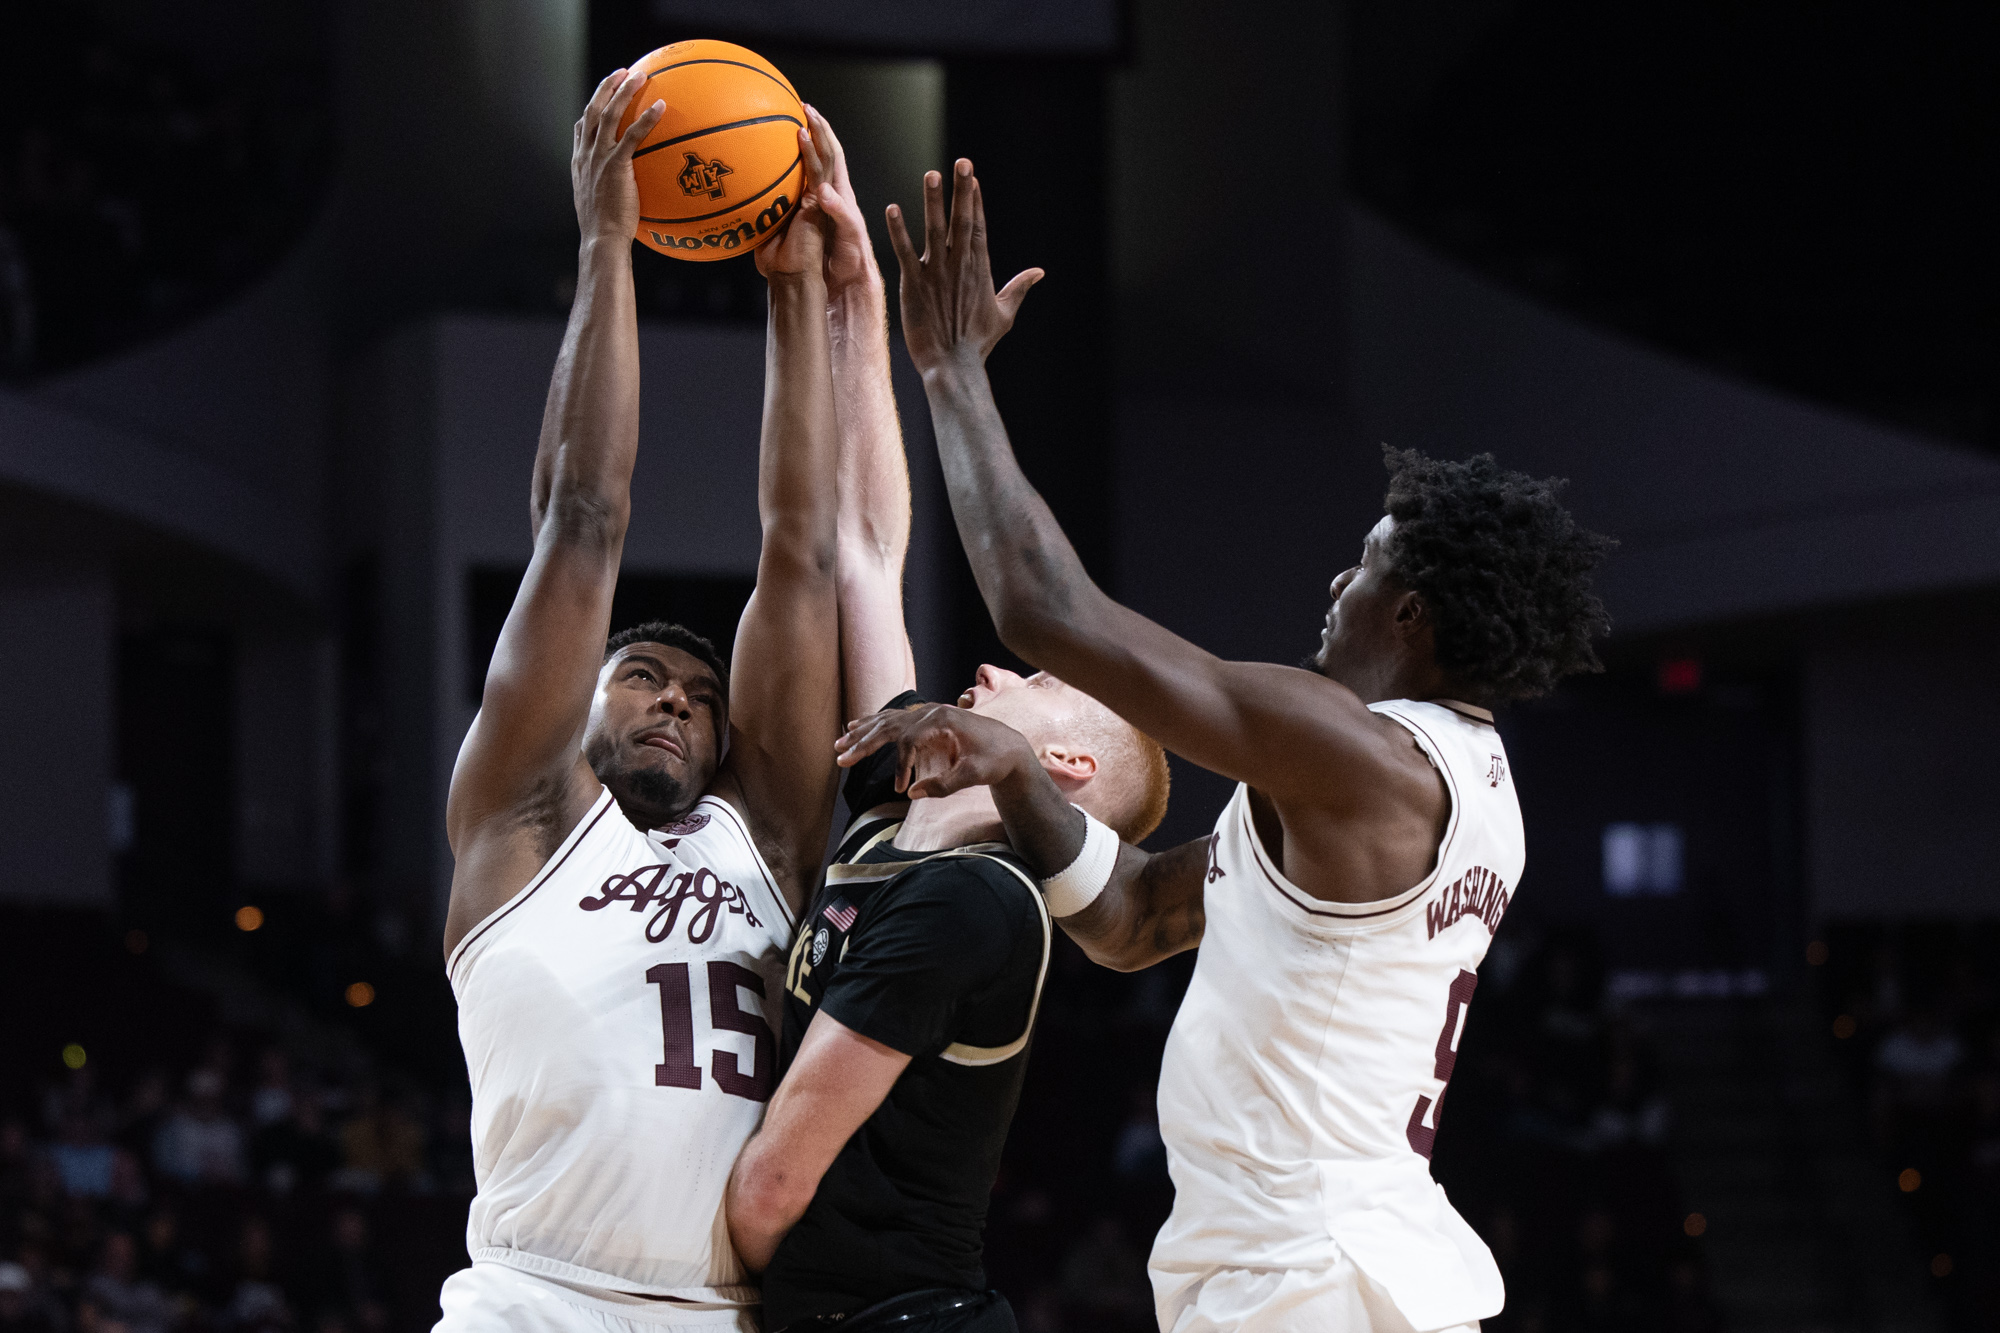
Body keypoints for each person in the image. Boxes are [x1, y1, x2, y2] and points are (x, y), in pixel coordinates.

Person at [839, 161, 1614, 1333]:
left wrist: (951, 379)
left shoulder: (1359, 758)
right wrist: (1013, 769)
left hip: (1308, 1270)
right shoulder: (1429, 783)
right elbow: (1140, 917)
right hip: (1311, 1261)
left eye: (1364, 566)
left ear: (1412, 616)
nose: (1335, 584)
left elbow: (1046, 611)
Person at [721, 125, 1169, 1333]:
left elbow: (771, 1185)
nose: (982, 666)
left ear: (1062, 766)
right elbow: (869, 549)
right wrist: (848, 295)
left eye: (1025, 681)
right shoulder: (890, 824)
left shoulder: (976, 904)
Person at [433, 69, 844, 1331]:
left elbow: (803, 553)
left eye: (699, 697)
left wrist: (793, 297)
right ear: (583, 707)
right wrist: (606, 239)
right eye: (642, 677)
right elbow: (582, 519)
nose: (674, 701)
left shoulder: (759, 839)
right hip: (530, 1298)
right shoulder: (519, 824)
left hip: (717, 1310)